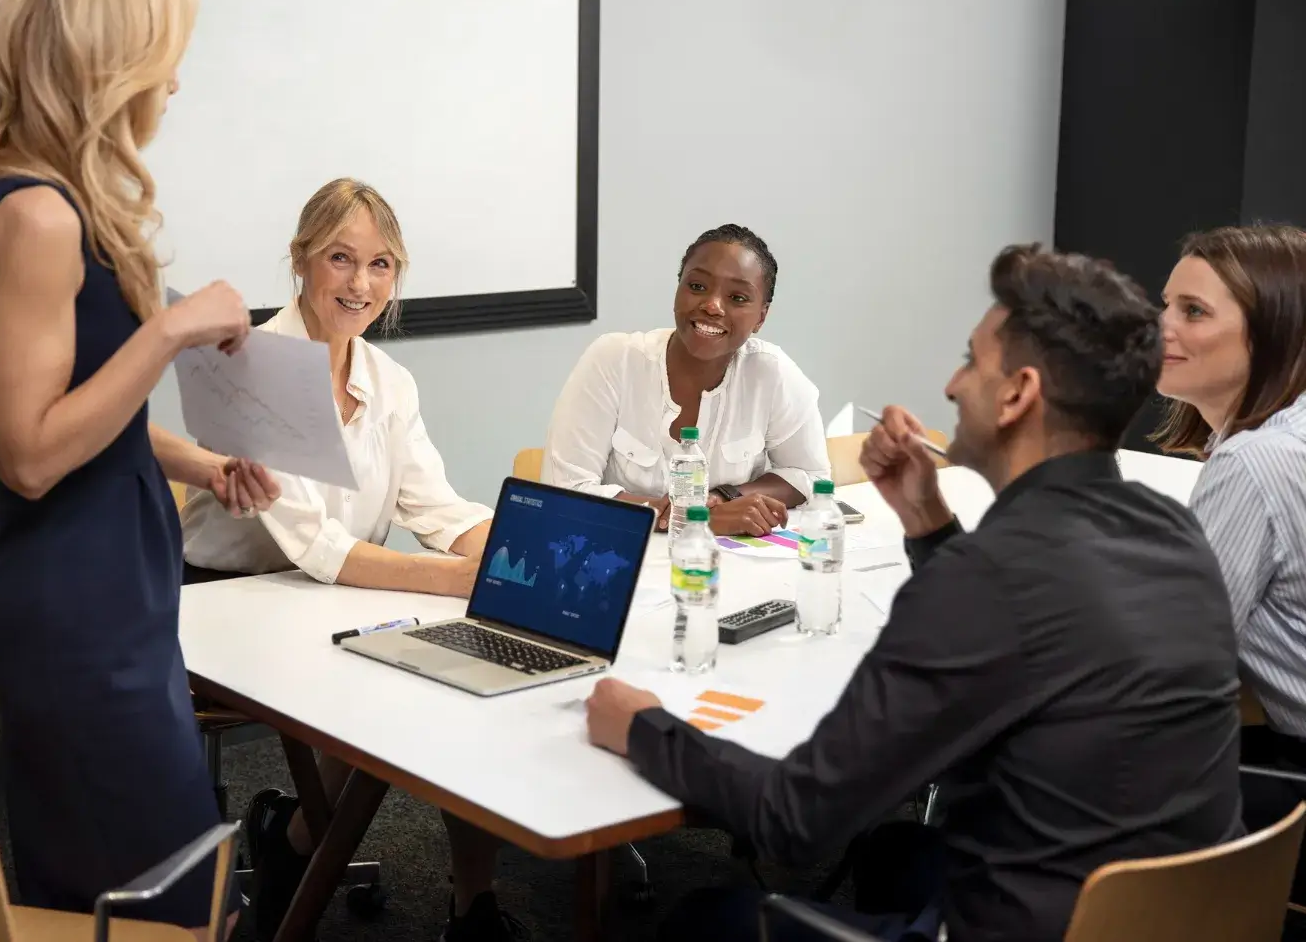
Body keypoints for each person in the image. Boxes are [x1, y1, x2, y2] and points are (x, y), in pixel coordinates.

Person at [585, 244, 1244, 942]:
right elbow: (1022, 630)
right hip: (1179, 912)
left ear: (1018, 394)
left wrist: (643, 728)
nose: (953, 386)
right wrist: (930, 525)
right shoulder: (1171, 528)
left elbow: (797, 820)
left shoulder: (990, 575)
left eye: (970, 361)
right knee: (896, 852)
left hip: (1039, 922)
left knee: (702, 920)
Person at [0, 0, 281, 937]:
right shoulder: (39, 217)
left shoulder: (41, 203)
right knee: (163, 900)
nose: (175, 77)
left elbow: (96, 417)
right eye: (166, 51)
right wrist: (170, 328)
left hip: (103, 596)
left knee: (108, 893)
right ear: (109, 58)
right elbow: (33, 452)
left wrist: (202, 462)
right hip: (77, 613)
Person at [180, 178, 517, 942]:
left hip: (324, 598)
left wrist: (509, 549)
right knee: (402, 679)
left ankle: (471, 907)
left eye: (382, 264)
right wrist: (460, 578)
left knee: (459, 669)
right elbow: (318, 545)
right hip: (223, 603)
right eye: (341, 258)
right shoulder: (250, 368)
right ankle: (302, 844)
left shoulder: (389, 381)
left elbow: (434, 507)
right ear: (300, 261)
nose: (361, 284)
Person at [1153, 223, 1306, 904]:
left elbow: (1165, 666)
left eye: (1193, 312)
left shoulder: (1252, 464)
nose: (1160, 327)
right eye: (1165, 305)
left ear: (1270, 330)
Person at [542, 224, 829, 537]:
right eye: (697, 286)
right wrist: (691, 519)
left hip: (730, 565)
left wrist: (725, 498)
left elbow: (810, 475)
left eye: (737, 297)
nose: (712, 305)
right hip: (617, 558)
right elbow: (564, 494)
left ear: (761, 317)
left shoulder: (772, 373)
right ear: (678, 290)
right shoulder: (614, 360)